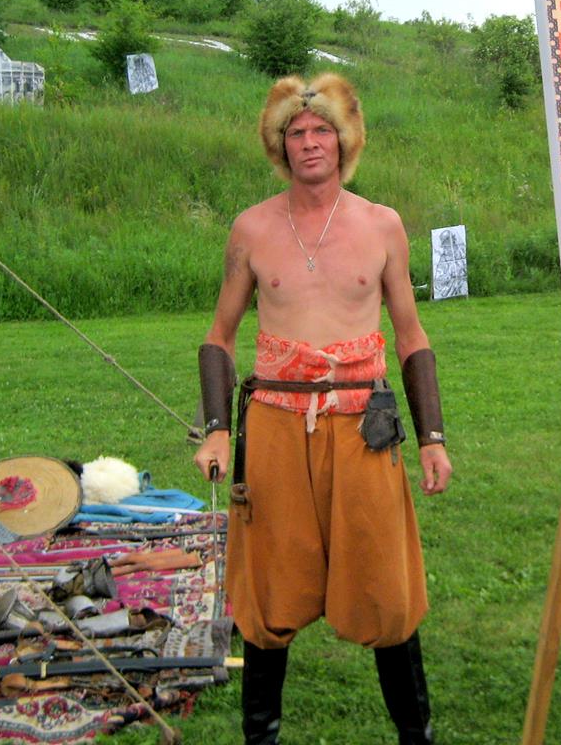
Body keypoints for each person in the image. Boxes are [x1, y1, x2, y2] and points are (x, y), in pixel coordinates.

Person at [193, 73, 453, 744]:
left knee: (386, 588)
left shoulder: (382, 225)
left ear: (344, 142)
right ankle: (261, 737)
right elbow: (219, 336)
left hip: (363, 428)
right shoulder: (251, 228)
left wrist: (431, 437)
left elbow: (411, 336)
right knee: (268, 591)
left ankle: (417, 736)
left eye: (322, 132)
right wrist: (217, 431)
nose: (310, 142)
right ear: (279, 146)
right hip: (275, 426)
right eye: (296, 132)